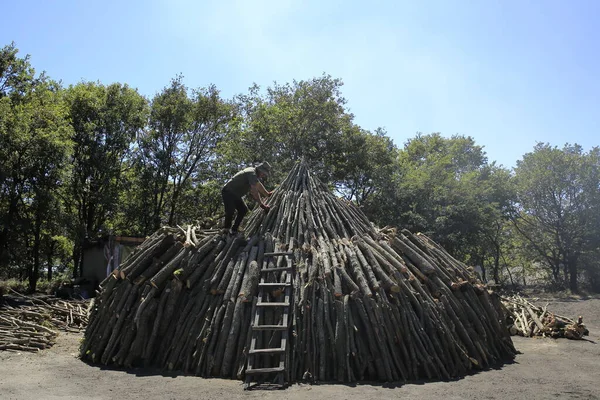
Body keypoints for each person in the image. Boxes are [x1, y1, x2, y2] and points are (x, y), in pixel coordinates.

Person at [221, 161, 273, 235]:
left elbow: (258, 185)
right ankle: (226, 230)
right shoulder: (251, 173)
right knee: (230, 211)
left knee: (243, 210)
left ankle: (234, 229)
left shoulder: (254, 174)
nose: (263, 175)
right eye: (263, 173)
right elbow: (254, 190)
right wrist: (261, 204)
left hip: (236, 194)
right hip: (228, 191)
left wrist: (267, 194)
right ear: (260, 170)